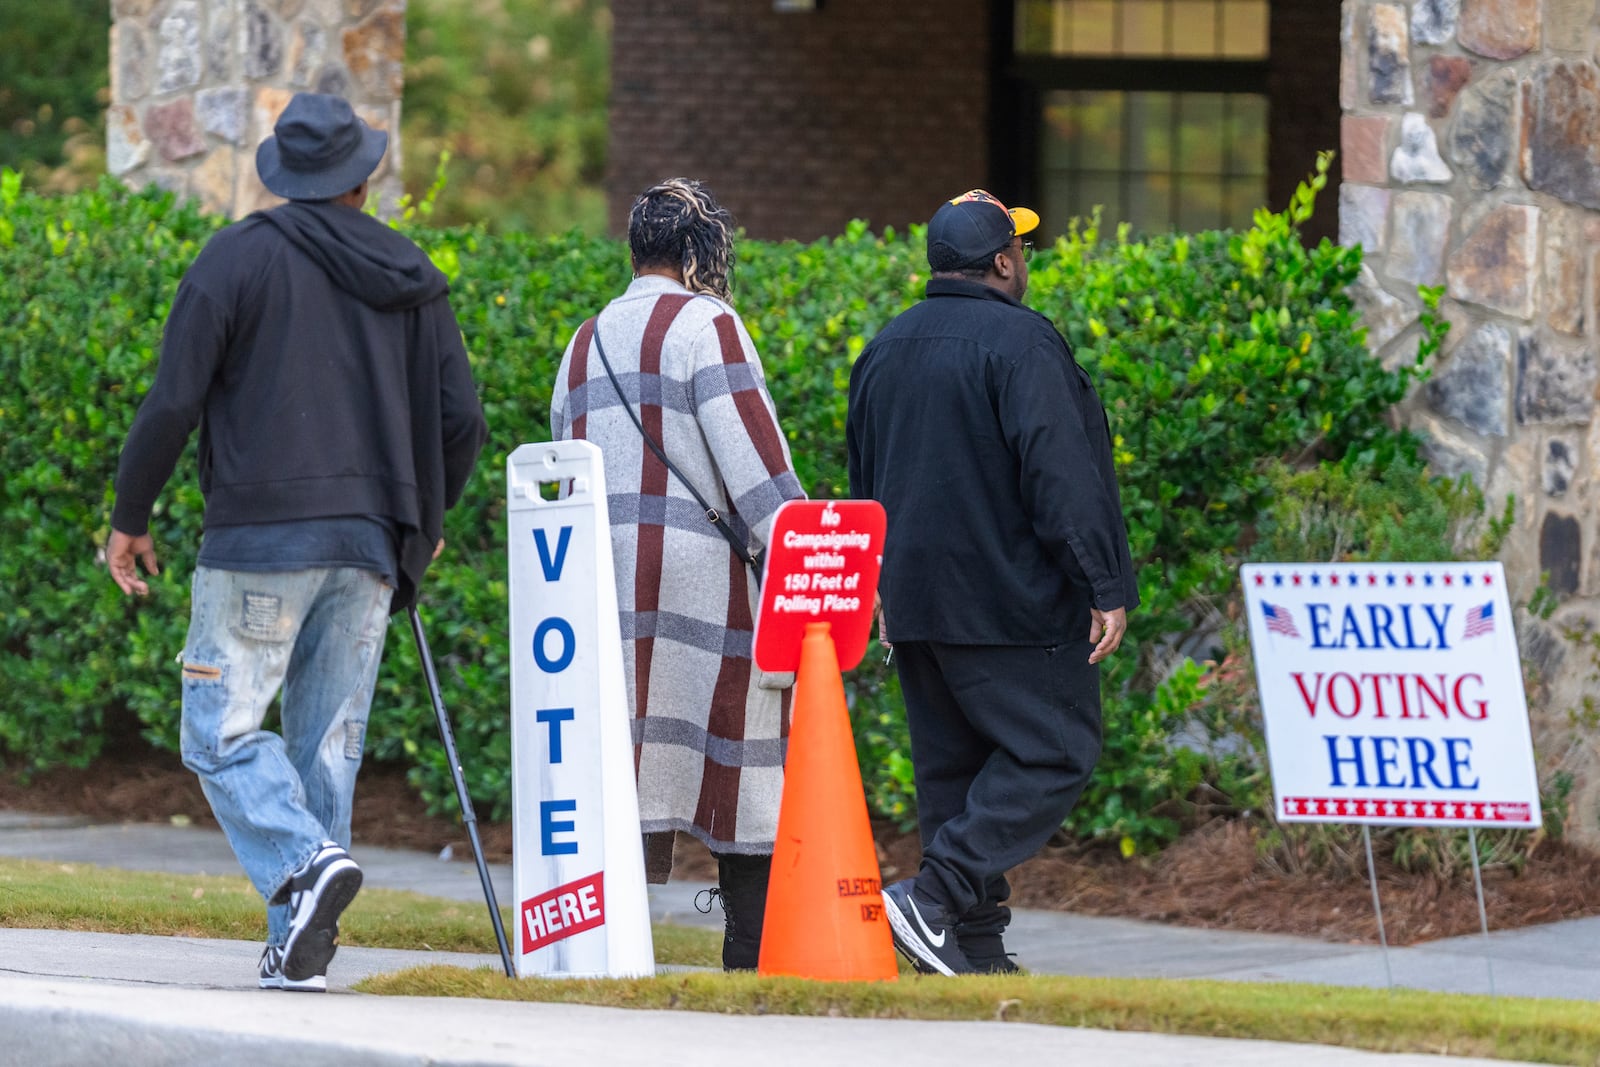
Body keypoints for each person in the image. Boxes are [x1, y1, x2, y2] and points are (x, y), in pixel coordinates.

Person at [105, 92, 487, 992]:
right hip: (369, 548)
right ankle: (300, 947)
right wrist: (423, 526)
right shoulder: (413, 274)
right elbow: (461, 419)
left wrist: (130, 515)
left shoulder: (236, 258)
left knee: (220, 731)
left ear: (284, 174)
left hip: (258, 540)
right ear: (361, 178)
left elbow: (172, 402)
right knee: (324, 748)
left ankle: (306, 865)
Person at [847, 189, 1138, 976]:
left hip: (916, 603)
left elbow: (864, 479)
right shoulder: (1022, 344)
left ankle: (971, 948)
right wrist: (1103, 583)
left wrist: (875, 588)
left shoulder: (885, 347)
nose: (1027, 261)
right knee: (1057, 749)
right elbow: (1060, 477)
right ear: (1004, 261)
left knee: (954, 774)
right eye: (1024, 248)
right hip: (1012, 603)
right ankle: (932, 900)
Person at [550, 178, 805, 970]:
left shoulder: (584, 339)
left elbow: (564, 457)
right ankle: (748, 946)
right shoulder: (710, 326)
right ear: (699, 253)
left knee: (625, 759)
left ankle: (608, 948)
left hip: (606, 583)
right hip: (707, 582)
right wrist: (809, 562)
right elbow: (758, 473)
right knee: (743, 757)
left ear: (634, 249)